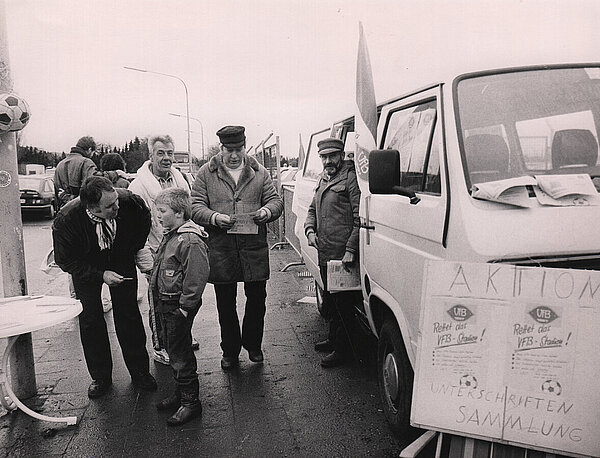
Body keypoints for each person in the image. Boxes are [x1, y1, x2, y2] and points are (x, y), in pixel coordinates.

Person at [52, 176, 157, 398]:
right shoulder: (66, 220)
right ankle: (100, 377)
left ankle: (140, 371)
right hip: (86, 262)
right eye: (109, 207)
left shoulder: (130, 202)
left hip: (120, 255)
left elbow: (144, 219)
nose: (116, 207)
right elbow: (65, 261)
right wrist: (100, 275)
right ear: (92, 208)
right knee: (90, 319)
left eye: (116, 201)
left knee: (128, 313)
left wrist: (134, 248)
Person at [191, 125, 283, 370]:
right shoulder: (205, 173)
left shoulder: (259, 172)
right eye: (228, 150)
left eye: (238, 149)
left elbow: (275, 201)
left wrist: (267, 211)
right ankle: (229, 351)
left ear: (244, 146)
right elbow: (195, 206)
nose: (234, 155)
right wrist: (214, 218)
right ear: (220, 148)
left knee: (257, 299)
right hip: (222, 249)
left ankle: (253, 345)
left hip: (253, 247)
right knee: (225, 303)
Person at [129, 135, 199, 366]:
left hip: (178, 252)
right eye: (161, 153)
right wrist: (146, 263)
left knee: (179, 300)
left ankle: (180, 339)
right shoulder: (138, 187)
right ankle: (161, 347)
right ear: (150, 155)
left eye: (170, 153)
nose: (167, 158)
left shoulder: (181, 181)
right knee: (158, 304)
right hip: (155, 253)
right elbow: (136, 229)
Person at [150, 188, 209, 426]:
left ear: (179, 212)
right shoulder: (172, 235)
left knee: (181, 353)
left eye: (162, 211)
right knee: (173, 350)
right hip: (166, 302)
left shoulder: (190, 240)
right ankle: (180, 394)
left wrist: (184, 308)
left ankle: (190, 402)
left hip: (177, 306)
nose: (158, 216)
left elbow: (196, 277)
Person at [304, 137, 361, 368]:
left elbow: (360, 218)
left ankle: (344, 350)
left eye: (332, 156)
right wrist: (309, 230)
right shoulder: (323, 178)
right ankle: (333, 339)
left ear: (341, 155)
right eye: (324, 157)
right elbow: (311, 209)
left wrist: (350, 249)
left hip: (342, 256)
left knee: (344, 305)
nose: (328, 161)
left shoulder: (350, 179)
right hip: (325, 252)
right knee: (331, 299)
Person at [54, 136, 99, 209]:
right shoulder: (87, 163)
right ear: (89, 150)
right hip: (81, 211)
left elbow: (56, 192)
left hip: (64, 211)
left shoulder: (60, 164)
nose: (92, 155)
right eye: (93, 153)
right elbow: (90, 191)